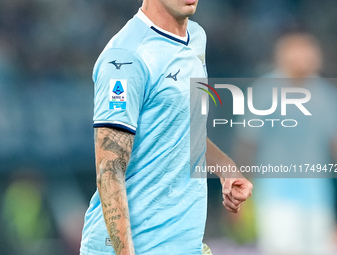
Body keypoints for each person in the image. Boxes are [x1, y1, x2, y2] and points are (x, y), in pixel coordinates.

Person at [80, 1, 253, 255]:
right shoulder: (126, 57)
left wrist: (226, 168)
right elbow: (109, 170)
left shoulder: (196, 37)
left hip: (183, 245)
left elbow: (182, 128)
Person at [234, 32, 337, 255]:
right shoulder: (264, 92)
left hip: (317, 194)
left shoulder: (327, 95)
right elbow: (247, 145)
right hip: (275, 194)